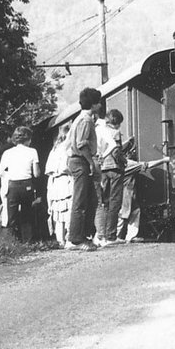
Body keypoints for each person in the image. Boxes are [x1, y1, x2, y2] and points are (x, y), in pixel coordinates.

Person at [65, 88, 102, 250]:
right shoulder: (86, 120)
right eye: (98, 102)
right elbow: (81, 144)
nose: (100, 105)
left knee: (90, 199)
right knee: (80, 201)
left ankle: (84, 236)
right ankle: (75, 240)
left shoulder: (80, 118)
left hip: (79, 160)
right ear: (93, 104)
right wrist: (91, 162)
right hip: (81, 161)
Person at [0, 126, 41, 242]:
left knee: (12, 216)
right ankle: (29, 241)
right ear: (28, 139)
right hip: (27, 185)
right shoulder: (32, 151)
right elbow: (36, 174)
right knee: (27, 215)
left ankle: (14, 242)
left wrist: (11, 175)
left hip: (12, 186)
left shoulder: (7, 153)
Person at [94, 108, 126, 246]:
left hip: (102, 169)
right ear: (117, 122)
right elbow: (116, 151)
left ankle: (102, 235)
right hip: (115, 168)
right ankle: (111, 235)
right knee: (115, 202)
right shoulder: (115, 132)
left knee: (104, 202)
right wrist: (124, 160)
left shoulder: (100, 130)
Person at [44, 124, 73, 246]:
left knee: (58, 211)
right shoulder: (67, 147)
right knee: (68, 209)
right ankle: (69, 238)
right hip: (66, 180)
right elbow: (67, 166)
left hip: (54, 182)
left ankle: (60, 239)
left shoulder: (54, 149)